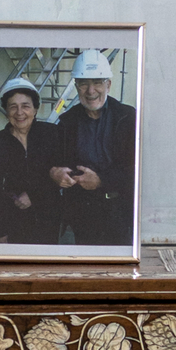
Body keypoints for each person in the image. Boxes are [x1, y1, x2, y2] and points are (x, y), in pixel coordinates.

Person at [50, 48, 138, 244]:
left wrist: (101, 180)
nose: (91, 91)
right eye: (84, 84)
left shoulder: (128, 118)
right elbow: (55, 161)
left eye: (97, 82)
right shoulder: (67, 121)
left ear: (108, 84)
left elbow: (137, 168)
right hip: (82, 214)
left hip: (120, 213)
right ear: (76, 85)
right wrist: (55, 173)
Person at [0, 79, 57, 247]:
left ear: (36, 109)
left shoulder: (52, 134)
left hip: (49, 218)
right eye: (13, 106)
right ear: (6, 111)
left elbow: (60, 178)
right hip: (14, 219)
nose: (19, 112)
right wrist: (0, 233)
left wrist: (35, 196)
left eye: (26, 106)